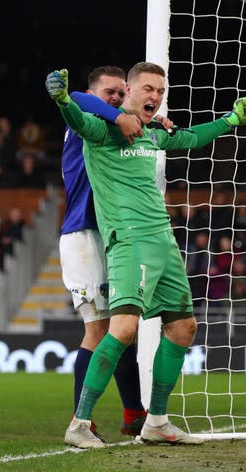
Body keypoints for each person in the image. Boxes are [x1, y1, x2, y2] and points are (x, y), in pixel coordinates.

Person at [46, 62, 246, 447]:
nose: (155, 96)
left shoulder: (152, 133)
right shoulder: (100, 130)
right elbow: (78, 109)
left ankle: (152, 419)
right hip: (119, 239)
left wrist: (230, 120)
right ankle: (80, 422)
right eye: (148, 89)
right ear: (128, 90)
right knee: (115, 330)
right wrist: (61, 99)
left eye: (160, 90)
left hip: (164, 241)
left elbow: (191, 139)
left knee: (183, 327)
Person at [58, 65, 167, 441]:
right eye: (111, 94)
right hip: (84, 236)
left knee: (125, 329)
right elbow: (76, 98)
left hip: (113, 236)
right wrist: (122, 115)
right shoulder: (84, 119)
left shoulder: (121, 128)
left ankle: (133, 412)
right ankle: (80, 421)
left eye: (123, 93)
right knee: (99, 328)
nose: (118, 100)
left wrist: (146, 121)